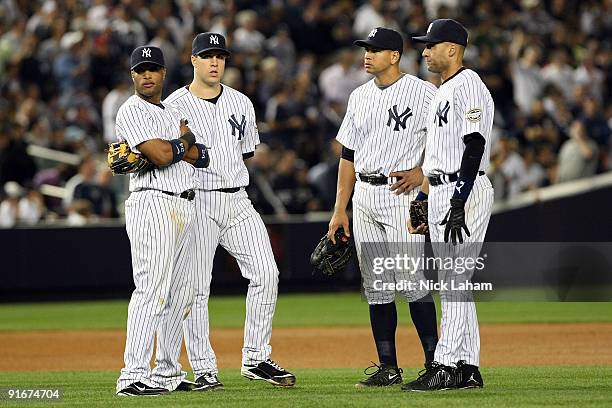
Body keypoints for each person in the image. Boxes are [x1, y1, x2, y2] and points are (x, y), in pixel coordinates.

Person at [164, 32, 296, 389]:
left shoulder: (242, 102)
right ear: (193, 60)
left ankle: (256, 358)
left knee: (267, 273)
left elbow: (247, 153)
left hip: (238, 199)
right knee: (196, 288)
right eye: (207, 56)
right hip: (198, 200)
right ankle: (204, 368)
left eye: (220, 56)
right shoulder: (173, 105)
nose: (214, 62)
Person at [327, 27, 439, 387]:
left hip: (400, 195)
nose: (368, 54)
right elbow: (347, 156)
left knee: (410, 281)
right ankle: (388, 367)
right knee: (376, 285)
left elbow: (445, 142)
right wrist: (339, 209)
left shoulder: (424, 93)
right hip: (364, 195)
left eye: (376, 49)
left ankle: (436, 365)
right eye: (366, 48)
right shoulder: (358, 96)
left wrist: (422, 173)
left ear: (395, 56)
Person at [404, 19, 494, 391]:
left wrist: (459, 196)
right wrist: (425, 196)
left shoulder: (469, 84)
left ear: (453, 49)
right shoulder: (444, 89)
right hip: (443, 188)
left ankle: (443, 364)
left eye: (431, 45)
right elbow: (439, 153)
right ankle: (467, 368)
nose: (424, 51)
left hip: (463, 188)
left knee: (454, 281)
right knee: (456, 283)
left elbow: (474, 144)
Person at [115, 45, 204, 396]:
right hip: (152, 202)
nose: (147, 75)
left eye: (153, 68)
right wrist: (180, 143)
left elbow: (201, 155)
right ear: (132, 75)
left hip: (184, 203)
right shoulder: (131, 109)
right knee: (152, 289)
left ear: (164, 73)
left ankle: (166, 373)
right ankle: (132, 376)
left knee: (180, 294)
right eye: (140, 70)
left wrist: (178, 146)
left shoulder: (172, 110)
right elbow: (163, 155)